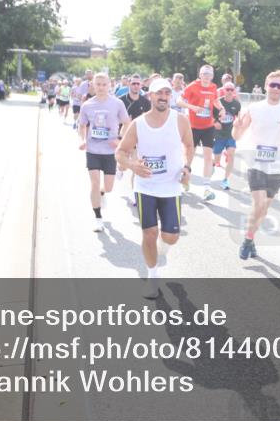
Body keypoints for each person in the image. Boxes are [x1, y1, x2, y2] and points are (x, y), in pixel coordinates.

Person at [116, 79, 195, 299]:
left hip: (171, 187)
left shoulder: (180, 121)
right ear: (150, 95)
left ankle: (164, 246)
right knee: (149, 233)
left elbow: (189, 146)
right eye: (158, 93)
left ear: (170, 96)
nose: (163, 96)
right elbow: (121, 152)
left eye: (167, 93)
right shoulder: (139, 124)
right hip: (146, 187)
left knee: (171, 237)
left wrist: (187, 166)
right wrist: (132, 166)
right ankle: (152, 278)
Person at [232, 70, 280, 259]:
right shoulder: (254, 108)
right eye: (272, 85)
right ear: (266, 86)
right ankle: (247, 241)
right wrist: (236, 128)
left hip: (276, 165)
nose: (275, 89)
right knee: (258, 204)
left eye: (279, 86)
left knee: (264, 208)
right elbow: (237, 136)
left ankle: (251, 239)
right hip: (255, 162)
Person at [78, 72, 131, 232]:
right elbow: (82, 125)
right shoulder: (87, 105)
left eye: (104, 84)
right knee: (94, 183)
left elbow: (127, 123)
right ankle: (98, 218)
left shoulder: (117, 103)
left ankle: (102, 193)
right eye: (98, 84)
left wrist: (120, 138)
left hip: (110, 152)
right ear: (93, 85)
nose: (101, 87)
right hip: (93, 150)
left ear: (110, 85)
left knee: (108, 188)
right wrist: (83, 140)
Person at [178, 64, 223, 202]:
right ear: (200, 75)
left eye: (209, 74)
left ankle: (206, 188)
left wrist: (220, 108)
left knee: (208, 156)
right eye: (204, 74)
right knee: (189, 156)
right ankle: (185, 178)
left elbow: (215, 100)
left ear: (212, 76)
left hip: (208, 126)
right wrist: (192, 107)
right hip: (193, 126)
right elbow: (178, 101)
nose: (206, 77)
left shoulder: (213, 87)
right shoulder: (192, 86)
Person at [121, 75, 152, 204]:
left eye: (138, 84)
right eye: (133, 83)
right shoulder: (121, 101)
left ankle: (135, 194)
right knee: (123, 166)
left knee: (136, 166)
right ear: (129, 84)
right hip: (123, 137)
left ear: (141, 86)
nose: (136, 86)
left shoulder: (145, 102)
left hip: (139, 139)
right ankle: (120, 169)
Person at [212, 82, 241, 190]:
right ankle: (213, 164)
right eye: (227, 89)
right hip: (219, 135)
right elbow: (210, 115)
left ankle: (225, 180)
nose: (229, 91)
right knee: (216, 159)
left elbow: (238, 117)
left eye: (231, 90)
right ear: (223, 90)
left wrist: (238, 123)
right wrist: (215, 122)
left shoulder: (237, 104)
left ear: (234, 91)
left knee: (231, 154)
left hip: (230, 134)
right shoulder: (218, 102)